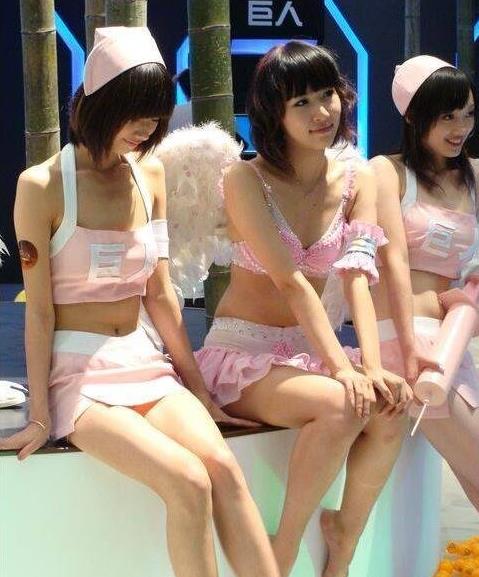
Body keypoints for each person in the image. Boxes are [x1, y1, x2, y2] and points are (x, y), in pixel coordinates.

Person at [0, 26, 280, 577]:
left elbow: (160, 292)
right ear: (100, 101)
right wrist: (39, 414)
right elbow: (40, 310)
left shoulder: (149, 174)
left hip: (144, 363)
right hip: (77, 377)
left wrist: (199, 390)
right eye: (136, 111)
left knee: (224, 469)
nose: (148, 127)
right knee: (188, 481)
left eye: (156, 113)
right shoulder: (41, 184)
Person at [194, 41, 412, 577]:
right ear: (274, 113)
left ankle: (344, 536)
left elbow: (357, 276)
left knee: (391, 406)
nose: (321, 112)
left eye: (327, 94)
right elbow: (291, 282)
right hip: (244, 354)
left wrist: (371, 366)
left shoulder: (357, 178)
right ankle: (285, 547)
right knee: (342, 405)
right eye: (301, 103)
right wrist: (343, 370)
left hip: (311, 352)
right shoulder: (245, 179)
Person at [370, 55, 479, 512]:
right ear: (414, 116)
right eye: (447, 116)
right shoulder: (386, 171)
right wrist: (409, 348)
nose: (461, 128)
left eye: (468, 114)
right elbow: (392, 259)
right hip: (405, 342)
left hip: (453, 342)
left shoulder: (474, 175)